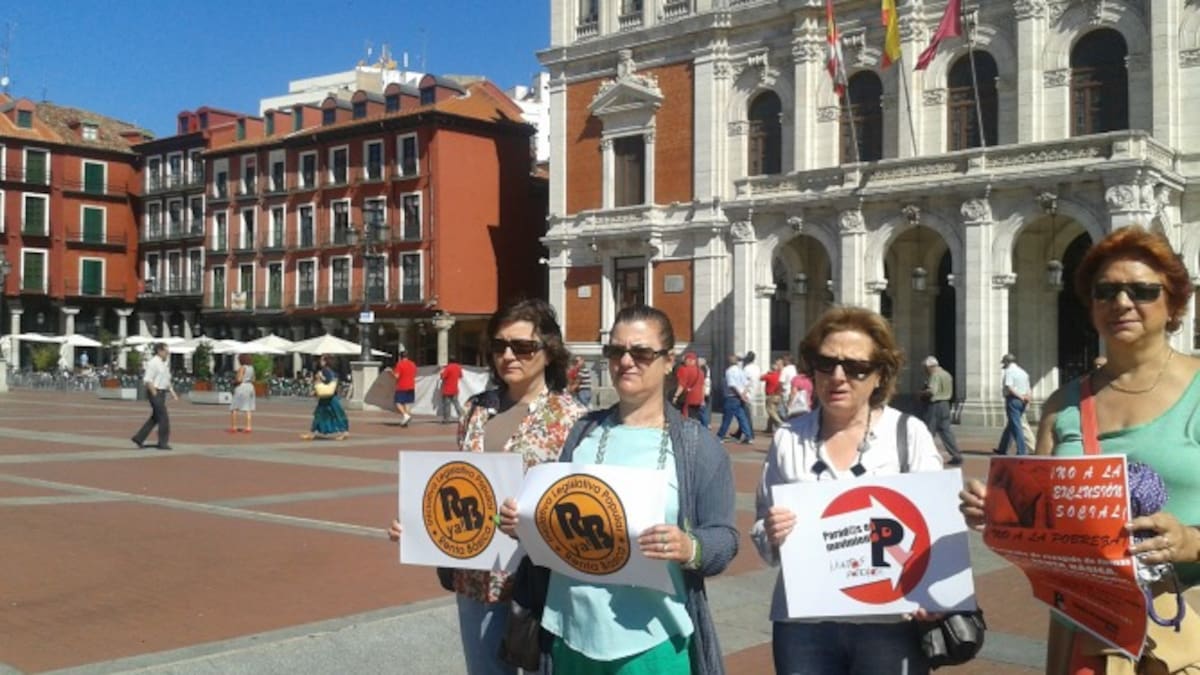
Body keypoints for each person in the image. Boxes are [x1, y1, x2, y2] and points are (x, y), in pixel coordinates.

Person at [960, 227, 1200, 674]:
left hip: (1187, 626)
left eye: (1143, 290)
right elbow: (1043, 519)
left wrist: (1191, 541)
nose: (1122, 302)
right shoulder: (1064, 405)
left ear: (1174, 305)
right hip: (1087, 630)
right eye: (1105, 291)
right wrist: (999, 514)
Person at [499, 304, 738, 674]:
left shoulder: (697, 447)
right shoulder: (582, 431)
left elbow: (724, 537)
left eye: (641, 352)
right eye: (616, 351)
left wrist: (690, 547)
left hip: (651, 643)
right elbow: (562, 523)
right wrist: (526, 524)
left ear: (668, 360)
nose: (626, 361)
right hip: (569, 632)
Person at [389, 298, 585, 675]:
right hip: (477, 579)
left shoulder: (573, 418)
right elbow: (459, 485)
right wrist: (418, 524)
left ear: (548, 352)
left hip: (541, 581)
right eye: (499, 346)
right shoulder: (477, 409)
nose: (509, 355)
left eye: (523, 347)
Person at [752, 306, 943, 675]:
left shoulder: (907, 434)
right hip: (803, 624)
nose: (838, 376)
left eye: (856, 368)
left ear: (879, 375)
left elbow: (932, 528)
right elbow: (762, 528)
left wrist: (934, 591)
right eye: (826, 363)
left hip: (890, 623)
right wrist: (772, 534)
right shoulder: (789, 438)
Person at [131, 343, 177, 450]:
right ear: (159, 351)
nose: (168, 353)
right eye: (166, 351)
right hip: (155, 392)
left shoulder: (163, 363)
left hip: (162, 392)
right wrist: (155, 394)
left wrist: (172, 392)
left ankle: (139, 438)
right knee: (164, 418)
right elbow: (148, 380)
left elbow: (166, 379)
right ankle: (163, 442)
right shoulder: (153, 363)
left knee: (155, 418)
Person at [921, 355, 962, 466]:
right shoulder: (947, 374)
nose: (925, 370)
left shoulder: (935, 375)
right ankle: (956, 454)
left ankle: (924, 455)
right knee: (946, 431)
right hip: (945, 404)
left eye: (925, 368)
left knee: (929, 431)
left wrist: (921, 393)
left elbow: (932, 391)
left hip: (935, 405)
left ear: (930, 366)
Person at [302, 355, 348, 441]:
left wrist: (320, 377)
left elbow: (328, 381)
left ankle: (344, 432)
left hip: (329, 397)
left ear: (326, 362)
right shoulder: (331, 370)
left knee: (333, 413)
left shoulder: (325, 370)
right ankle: (313, 432)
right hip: (329, 396)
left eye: (322, 360)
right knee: (322, 414)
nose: (320, 362)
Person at [994, 353, 1032, 455]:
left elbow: (1009, 387)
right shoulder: (1023, 372)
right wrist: (1027, 398)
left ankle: (1022, 450)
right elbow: (1028, 388)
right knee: (1011, 424)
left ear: (1007, 362)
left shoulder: (1009, 372)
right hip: (1023, 400)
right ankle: (1003, 447)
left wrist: (1019, 396)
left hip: (1014, 400)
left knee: (1016, 426)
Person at [716, 353, 753, 444]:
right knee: (741, 417)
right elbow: (748, 383)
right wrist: (744, 394)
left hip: (731, 396)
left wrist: (741, 395)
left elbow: (732, 385)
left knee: (727, 417)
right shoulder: (740, 370)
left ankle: (720, 436)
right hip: (738, 397)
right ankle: (748, 436)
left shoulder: (729, 371)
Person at [673, 351, 706, 420]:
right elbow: (703, 386)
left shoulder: (683, 369)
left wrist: (675, 396)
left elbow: (681, 385)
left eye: (685, 360)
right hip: (698, 399)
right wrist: (702, 399)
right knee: (694, 418)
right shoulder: (700, 371)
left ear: (688, 360)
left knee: (685, 417)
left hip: (687, 398)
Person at [229, 353, 256, 433]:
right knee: (248, 408)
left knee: (234, 407)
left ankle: (234, 426)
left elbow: (239, 379)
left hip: (242, 387)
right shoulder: (252, 368)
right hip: (250, 386)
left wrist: (234, 382)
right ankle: (248, 427)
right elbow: (254, 378)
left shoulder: (242, 368)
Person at [393, 348, 417, 427]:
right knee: (407, 402)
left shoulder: (400, 364)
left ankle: (405, 415)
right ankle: (406, 419)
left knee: (398, 402)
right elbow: (414, 373)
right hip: (411, 385)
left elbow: (397, 376)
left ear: (400, 357)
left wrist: (391, 373)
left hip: (401, 386)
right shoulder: (413, 364)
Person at [438, 357, 464, 424]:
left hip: (447, 389)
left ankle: (447, 420)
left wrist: (441, 372)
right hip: (455, 389)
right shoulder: (458, 367)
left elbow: (442, 377)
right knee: (457, 404)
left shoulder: (448, 368)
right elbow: (461, 376)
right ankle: (462, 417)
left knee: (447, 405)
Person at [761, 358, 784, 434]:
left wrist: (768, 373)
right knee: (773, 412)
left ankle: (780, 422)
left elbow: (761, 378)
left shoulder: (769, 376)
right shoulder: (779, 375)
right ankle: (769, 428)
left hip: (771, 396)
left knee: (771, 412)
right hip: (778, 395)